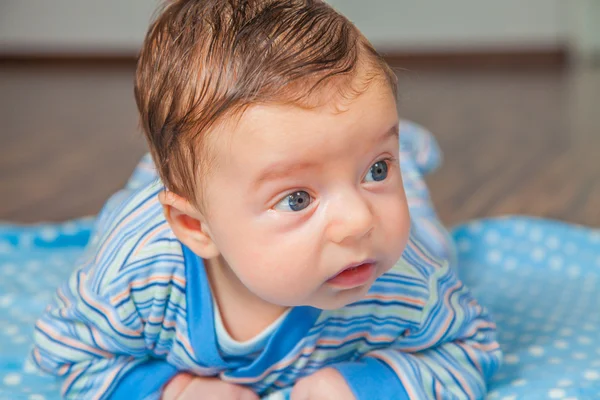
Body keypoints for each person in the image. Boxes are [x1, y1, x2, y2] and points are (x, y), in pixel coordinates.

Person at [28, 1, 501, 399]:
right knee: (167, 184)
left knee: (429, 236)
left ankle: (404, 156)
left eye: (378, 168)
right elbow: (67, 354)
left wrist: (358, 385)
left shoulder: (400, 276)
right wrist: (175, 389)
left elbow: (469, 346)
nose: (358, 222)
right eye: (297, 199)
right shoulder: (135, 277)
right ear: (196, 228)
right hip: (160, 217)